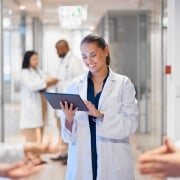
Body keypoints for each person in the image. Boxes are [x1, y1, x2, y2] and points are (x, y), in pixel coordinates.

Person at [58, 34, 138, 180]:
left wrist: (100, 115)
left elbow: (130, 124)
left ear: (106, 51)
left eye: (93, 55)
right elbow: (68, 136)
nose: (89, 61)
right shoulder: (75, 86)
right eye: (84, 57)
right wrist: (69, 120)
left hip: (113, 161)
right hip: (82, 162)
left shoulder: (123, 84)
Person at [50, 39, 86, 164]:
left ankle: (70, 155)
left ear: (64, 48)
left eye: (58, 49)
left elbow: (79, 81)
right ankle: (64, 153)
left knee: (70, 128)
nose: (56, 52)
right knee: (63, 129)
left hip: (70, 101)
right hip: (62, 100)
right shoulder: (63, 61)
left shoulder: (74, 61)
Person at [20, 50, 59, 163]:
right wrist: (46, 81)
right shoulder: (25, 72)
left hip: (41, 102)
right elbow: (33, 86)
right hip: (31, 106)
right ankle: (31, 156)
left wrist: (47, 81)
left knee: (40, 129)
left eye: (37, 59)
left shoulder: (37, 71)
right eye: (34, 59)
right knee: (31, 131)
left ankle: (37, 155)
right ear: (28, 60)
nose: (36, 61)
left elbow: (45, 80)